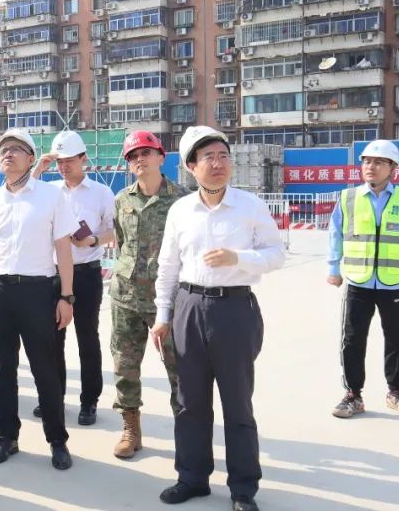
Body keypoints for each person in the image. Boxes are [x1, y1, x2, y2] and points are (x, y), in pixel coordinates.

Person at [151, 126, 283, 511]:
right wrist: (162, 315)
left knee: (237, 403)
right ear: (191, 166)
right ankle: (192, 478)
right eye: (208, 157)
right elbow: (168, 267)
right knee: (190, 402)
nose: (218, 163)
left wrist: (238, 258)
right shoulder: (180, 211)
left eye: (223, 155)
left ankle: (243, 488)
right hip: (189, 308)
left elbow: (276, 254)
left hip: (234, 309)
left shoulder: (249, 206)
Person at [0, 129, 77, 471]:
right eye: (3, 150)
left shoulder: (50, 196)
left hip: (38, 292)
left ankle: (57, 440)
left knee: (45, 370)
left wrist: (66, 297)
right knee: (2, 371)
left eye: (16, 149)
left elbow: (64, 250)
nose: (8, 154)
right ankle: (7, 437)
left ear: (31, 158)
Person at [327, 139, 399, 419]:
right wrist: (333, 268)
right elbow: (336, 233)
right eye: (367, 161)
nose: (370, 166)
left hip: (394, 282)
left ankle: (396, 392)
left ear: (393, 168)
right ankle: (353, 395)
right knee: (352, 340)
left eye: (379, 162)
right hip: (358, 281)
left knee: (398, 339)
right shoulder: (348, 198)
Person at [108, 131, 186, 459]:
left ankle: (187, 431)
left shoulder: (182, 200)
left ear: (160, 157)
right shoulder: (122, 199)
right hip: (125, 297)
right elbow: (121, 241)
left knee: (180, 369)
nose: (139, 159)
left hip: (167, 300)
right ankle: (131, 428)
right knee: (125, 366)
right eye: (132, 156)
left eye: (145, 153)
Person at [32, 130, 115, 425]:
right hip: (53, 274)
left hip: (86, 273)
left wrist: (92, 240)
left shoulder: (101, 193)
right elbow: (21, 194)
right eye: (59, 162)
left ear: (83, 159)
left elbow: (115, 230)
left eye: (69, 160)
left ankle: (89, 401)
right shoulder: (49, 190)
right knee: (52, 340)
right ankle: (54, 397)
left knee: (87, 338)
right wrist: (38, 169)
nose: (63, 167)